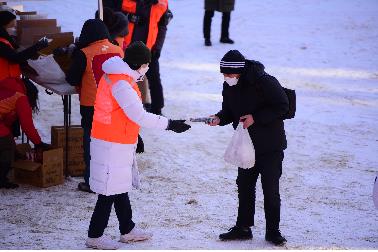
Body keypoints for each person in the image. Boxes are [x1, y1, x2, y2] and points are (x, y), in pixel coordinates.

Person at [85, 41, 190, 249]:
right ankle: (94, 236)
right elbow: (138, 114)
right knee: (108, 191)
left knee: (119, 187)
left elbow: (123, 113)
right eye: (146, 64)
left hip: (117, 140)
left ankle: (127, 229)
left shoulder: (122, 77)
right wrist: (169, 124)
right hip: (110, 143)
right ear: (140, 64)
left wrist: (135, 135)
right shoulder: (121, 83)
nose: (147, 67)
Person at [207, 50, 289, 246]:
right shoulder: (229, 86)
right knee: (244, 187)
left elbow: (282, 105)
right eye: (224, 74)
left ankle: (273, 231)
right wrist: (219, 118)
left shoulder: (265, 81)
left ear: (239, 71)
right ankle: (243, 227)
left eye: (229, 74)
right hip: (246, 145)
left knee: (270, 189)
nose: (226, 78)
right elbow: (229, 110)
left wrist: (256, 118)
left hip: (270, 146)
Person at [66, 19, 124, 193]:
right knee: (111, 142)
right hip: (114, 103)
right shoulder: (118, 50)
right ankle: (112, 178)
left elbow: (72, 79)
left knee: (91, 143)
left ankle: (92, 181)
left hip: (92, 105)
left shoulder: (84, 53)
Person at [104, 0, 171, 116]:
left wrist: (158, 48)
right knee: (123, 79)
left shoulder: (162, 3)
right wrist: (127, 17)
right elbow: (109, 16)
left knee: (153, 77)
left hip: (149, 49)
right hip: (127, 49)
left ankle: (156, 109)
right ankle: (122, 108)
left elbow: (162, 26)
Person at [0, 78, 50, 189]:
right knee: (6, 147)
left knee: (6, 142)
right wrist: (38, 143)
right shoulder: (20, 97)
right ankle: (1, 179)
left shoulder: (7, 88)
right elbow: (27, 125)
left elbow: (5, 129)